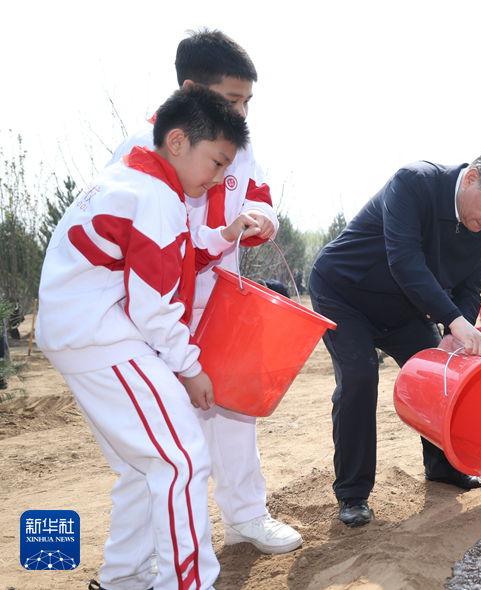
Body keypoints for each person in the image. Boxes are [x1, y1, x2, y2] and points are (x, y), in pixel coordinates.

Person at [36, 86, 248, 590]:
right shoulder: (155, 197)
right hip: (101, 336)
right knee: (181, 460)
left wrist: (223, 233)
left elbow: (173, 255)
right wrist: (190, 368)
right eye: (216, 163)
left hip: (79, 333)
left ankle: (122, 580)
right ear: (177, 141)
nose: (218, 178)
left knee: (143, 466)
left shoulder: (127, 178)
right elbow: (153, 306)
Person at [108, 29, 300, 555]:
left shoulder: (242, 146)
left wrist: (262, 218)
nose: (242, 112)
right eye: (231, 99)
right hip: (155, 308)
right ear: (191, 89)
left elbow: (259, 197)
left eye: (247, 102)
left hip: (223, 299)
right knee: (170, 424)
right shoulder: (139, 152)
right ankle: (166, 545)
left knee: (235, 413)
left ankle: (246, 518)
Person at [308, 148, 481, 528]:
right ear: (472, 177)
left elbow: (469, 285)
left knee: (443, 380)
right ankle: (353, 494)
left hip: (406, 310)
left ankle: (443, 468)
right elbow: (404, 260)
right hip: (345, 294)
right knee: (360, 377)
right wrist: (453, 320)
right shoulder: (413, 183)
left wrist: (453, 330)